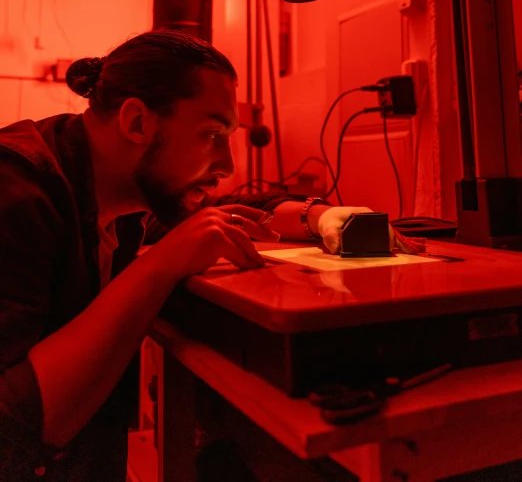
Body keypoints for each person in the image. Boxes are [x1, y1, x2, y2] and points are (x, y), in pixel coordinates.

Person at [0, 29, 424, 481]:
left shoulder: (123, 192)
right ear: (137, 122)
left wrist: (321, 216)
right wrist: (160, 266)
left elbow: (224, 214)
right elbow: (12, 433)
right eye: (211, 134)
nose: (227, 166)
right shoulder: (16, 193)